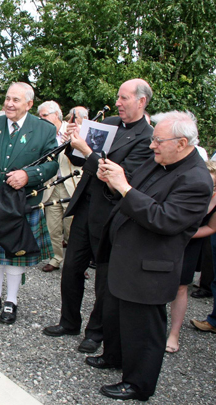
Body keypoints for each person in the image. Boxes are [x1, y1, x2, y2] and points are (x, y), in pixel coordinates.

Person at [87, 110, 212, 401]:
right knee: (117, 314)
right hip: (125, 255)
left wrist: (123, 186)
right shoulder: (160, 160)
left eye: (158, 140)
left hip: (150, 266)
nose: (152, 145)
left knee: (143, 327)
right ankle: (114, 357)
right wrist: (113, 181)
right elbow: (131, 191)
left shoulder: (196, 180)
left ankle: (138, 384)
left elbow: (164, 219)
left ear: (181, 143)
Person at [43, 79, 155, 353]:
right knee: (71, 269)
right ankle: (69, 321)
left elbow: (118, 176)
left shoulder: (146, 137)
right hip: (85, 206)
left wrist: (86, 149)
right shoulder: (111, 123)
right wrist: (73, 141)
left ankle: (96, 332)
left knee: (104, 278)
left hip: (112, 214)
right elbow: (79, 160)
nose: (117, 102)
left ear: (141, 102)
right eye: (118, 97)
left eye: (124, 98)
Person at [0, 82, 58, 324]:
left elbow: (52, 164)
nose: (9, 103)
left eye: (16, 100)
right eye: (8, 98)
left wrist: (28, 176)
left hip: (22, 202)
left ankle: (12, 300)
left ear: (29, 104)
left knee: (15, 254)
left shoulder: (44, 130)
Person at [166, 161, 216, 352]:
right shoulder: (184, 187)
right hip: (165, 237)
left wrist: (185, 234)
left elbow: (211, 227)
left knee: (180, 287)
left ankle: (174, 333)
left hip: (190, 241)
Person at [37, 101, 82, 272]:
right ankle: (55, 258)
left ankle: (77, 263)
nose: (41, 119)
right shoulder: (43, 134)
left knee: (73, 228)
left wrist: (72, 142)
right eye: (39, 116)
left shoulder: (72, 129)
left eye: (44, 115)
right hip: (51, 186)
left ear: (57, 114)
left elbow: (83, 157)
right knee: (52, 226)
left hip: (72, 185)